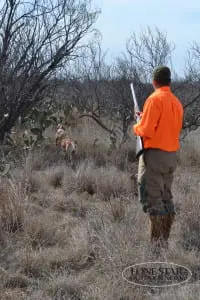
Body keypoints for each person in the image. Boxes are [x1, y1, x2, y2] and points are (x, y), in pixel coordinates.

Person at [133, 66, 184, 249]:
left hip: (154, 156)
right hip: (171, 156)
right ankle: (165, 241)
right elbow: (165, 125)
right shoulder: (176, 102)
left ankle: (156, 248)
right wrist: (143, 117)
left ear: (154, 81)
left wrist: (137, 126)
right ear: (169, 81)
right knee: (166, 198)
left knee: (153, 199)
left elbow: (145, 130)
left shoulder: (154, 99)